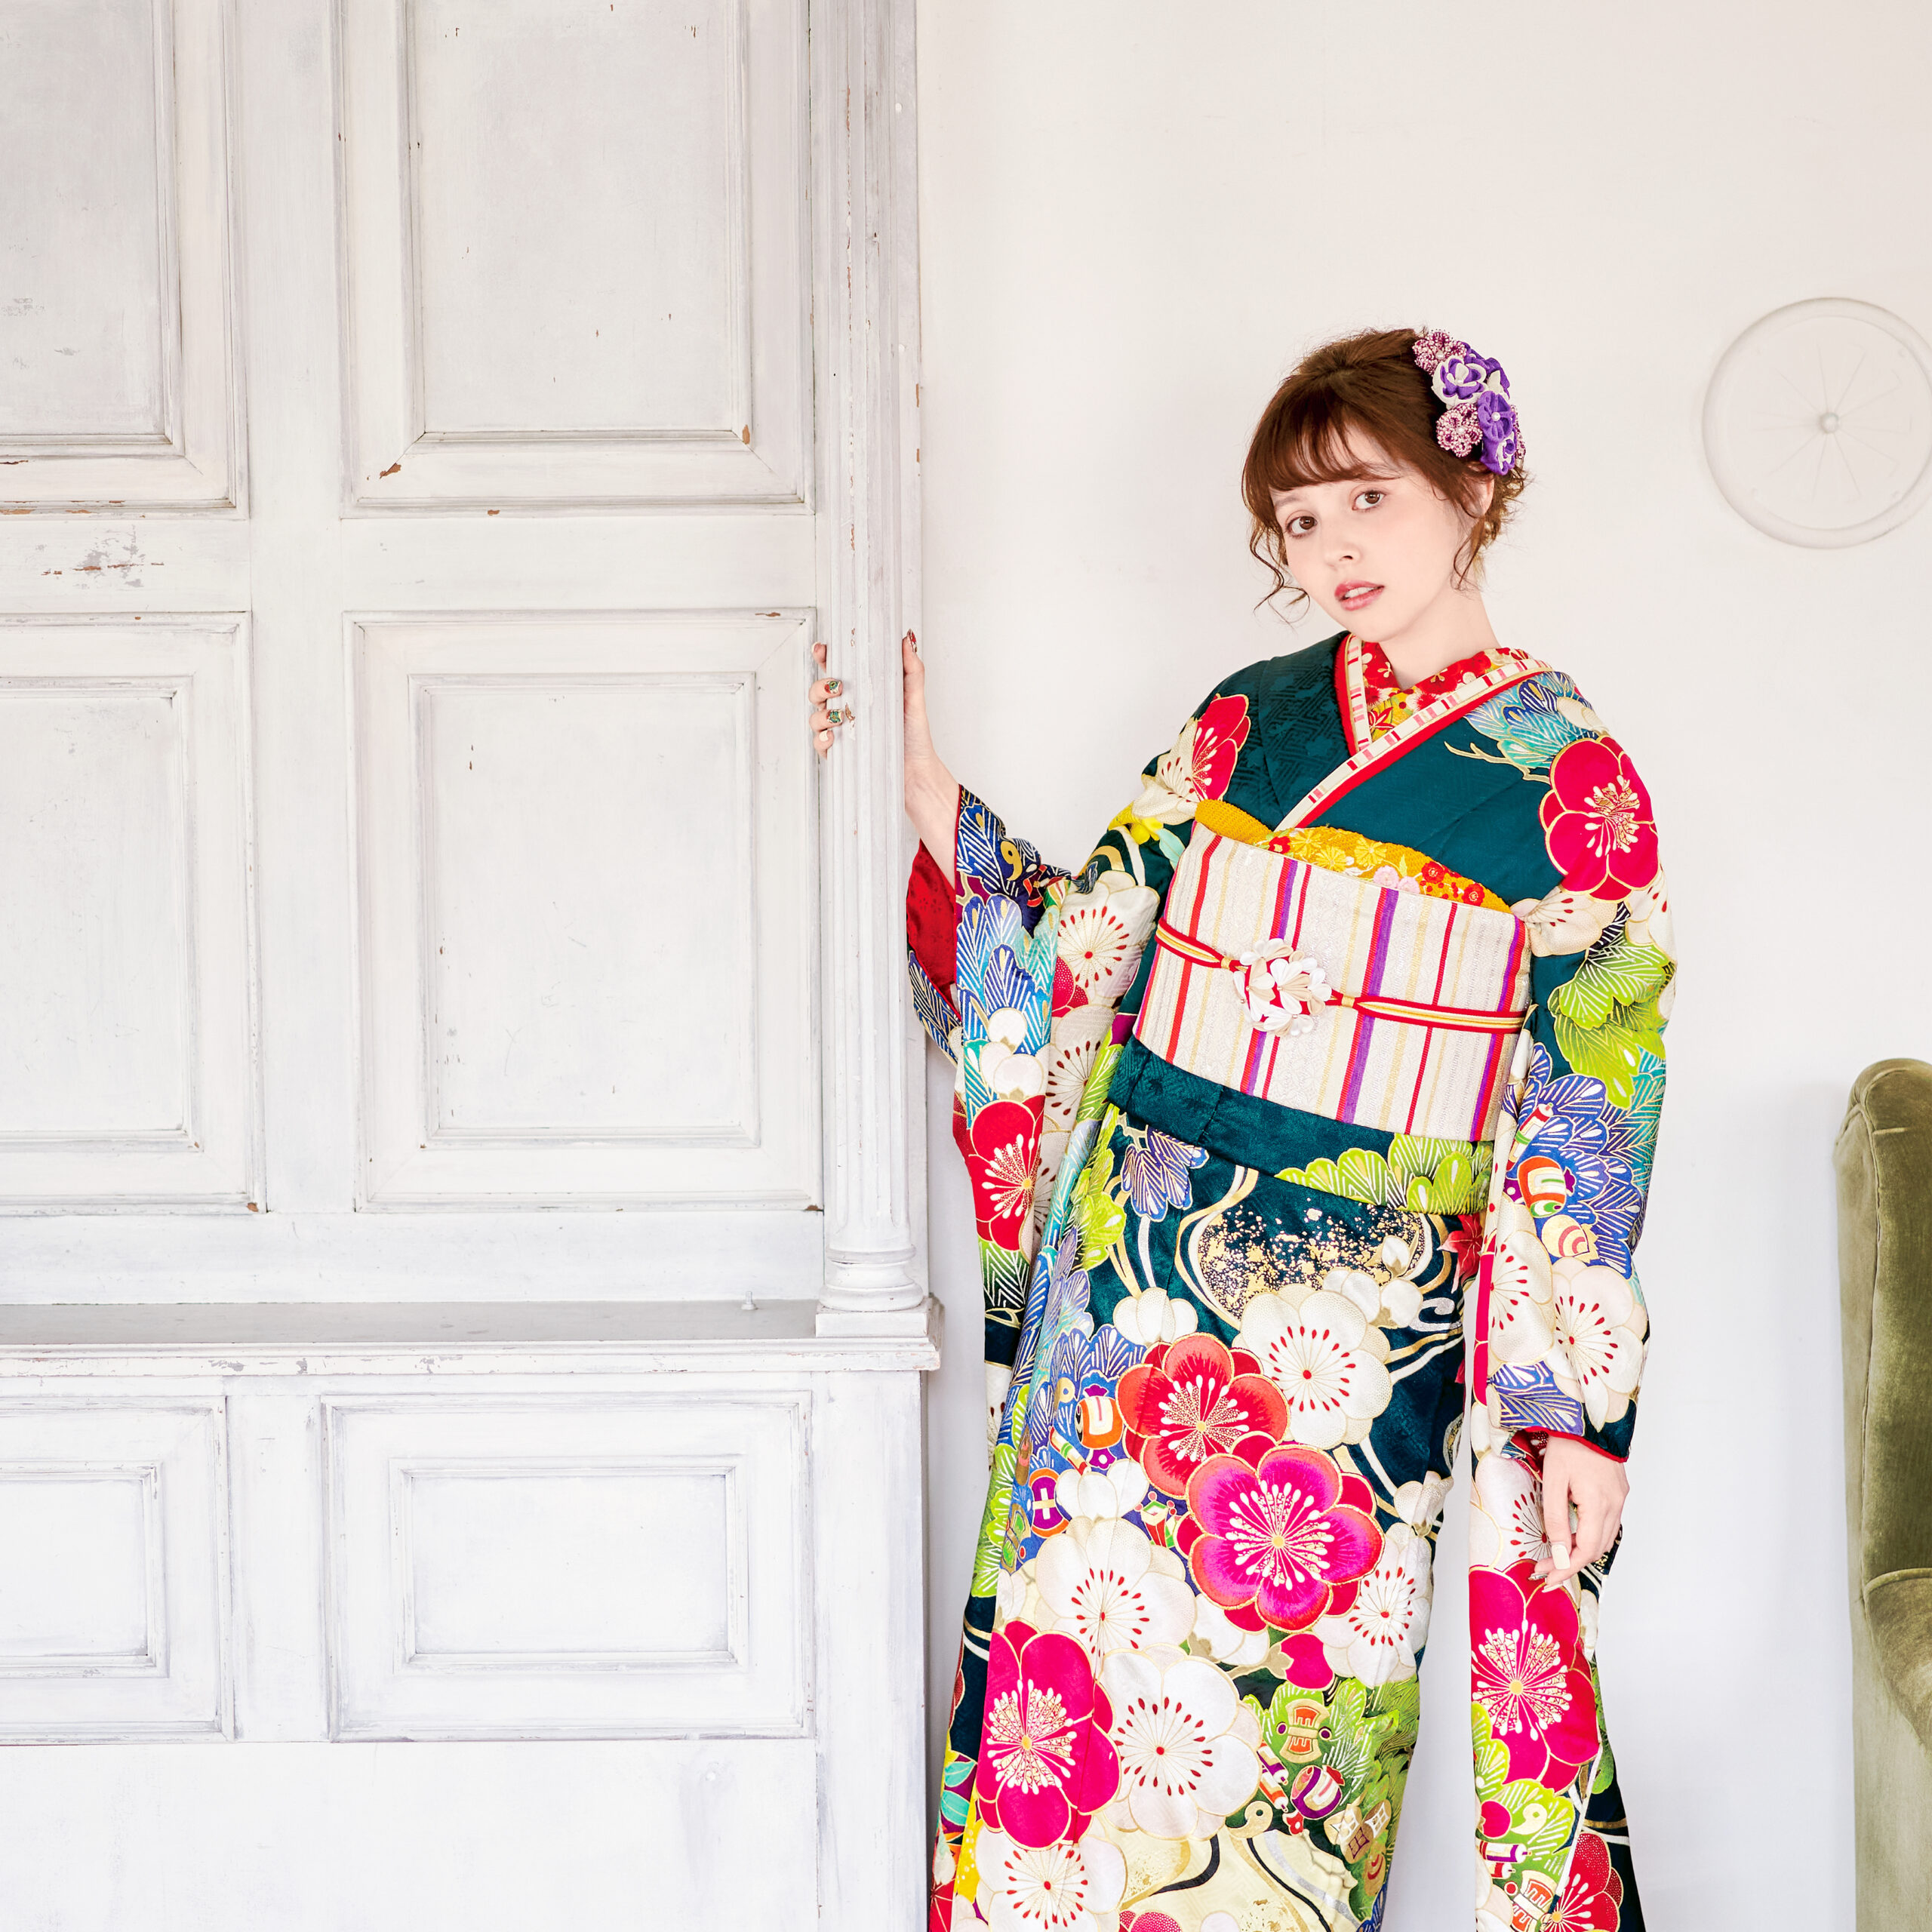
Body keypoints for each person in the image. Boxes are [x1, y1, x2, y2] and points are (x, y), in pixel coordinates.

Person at [810, 325, 1672, 1932]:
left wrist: (1575, 1412)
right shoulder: (1247, 717)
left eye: (1367, 498)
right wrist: (931, 800)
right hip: (1134, 1277)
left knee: (1293, 1717)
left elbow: (1589, 1099)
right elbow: (1088, 947)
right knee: (1076, 1677)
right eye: (1298, 519)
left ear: (1472, 487)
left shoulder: (1572, 779)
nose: (1332, 548)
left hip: (1367, 1319)